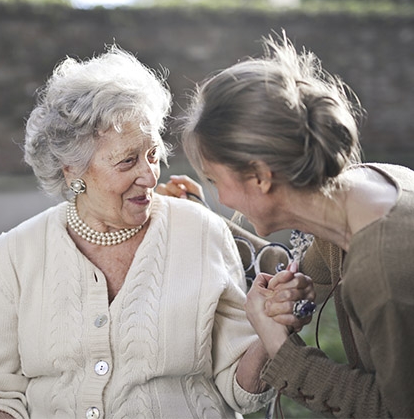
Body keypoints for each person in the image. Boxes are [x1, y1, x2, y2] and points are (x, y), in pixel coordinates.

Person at [0, 46, 315, 419]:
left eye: (152, 154)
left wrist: (271, 328)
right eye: (127, 160)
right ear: (72, 170)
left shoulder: (199, 231)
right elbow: (2, 395)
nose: (149, 176)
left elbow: (241, 391)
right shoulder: (15, 253)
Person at [160, 32, 414, 418]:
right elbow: (292, 265)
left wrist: (280, 347)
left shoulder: (381, 271)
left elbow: (396, 409)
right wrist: (200, 215)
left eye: (215, 181)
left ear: (260, 177)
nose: (223, 198)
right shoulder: (365, 189)